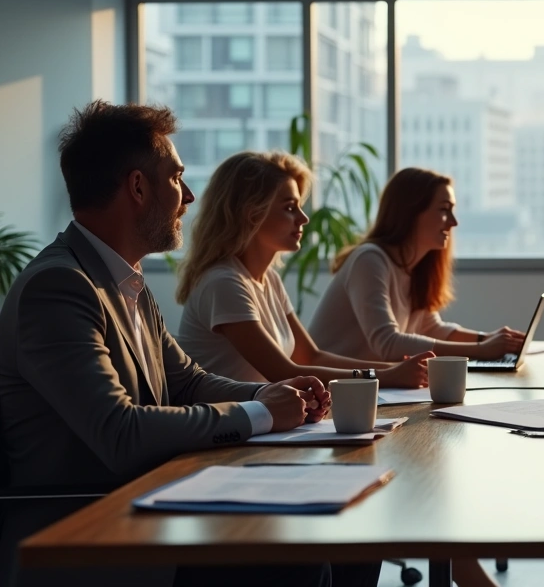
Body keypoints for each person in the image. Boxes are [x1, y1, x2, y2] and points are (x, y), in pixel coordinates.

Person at [0, 100, 379, 587]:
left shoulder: (123, 280)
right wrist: (261, 414)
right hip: (87, 529)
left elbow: (187, 381)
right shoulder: (59, 288)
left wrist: (265, 395)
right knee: (300, 561)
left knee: (350, 541)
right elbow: (118, 431)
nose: (190, 196)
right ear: (138, 187)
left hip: (151, 500)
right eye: (177, 178)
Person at [175, 151, 431, 388]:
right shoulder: (224, 284)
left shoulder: (269, 280)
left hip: (263, 423)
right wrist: (387, 376)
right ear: (251, 214)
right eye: (289, 208)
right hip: (228, 430)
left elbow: (311, 356)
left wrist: (397, 369)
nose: (304, 218)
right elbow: (285, 373)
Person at [310, 167, 524, 363]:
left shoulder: (412, 267)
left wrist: (489, 340)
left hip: (371, 388)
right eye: (444, 209)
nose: (453, 222)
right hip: (331, 393)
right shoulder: (368, 261)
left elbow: (431, 328)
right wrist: (481, 350)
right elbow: (388, 343)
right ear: (410, 213)